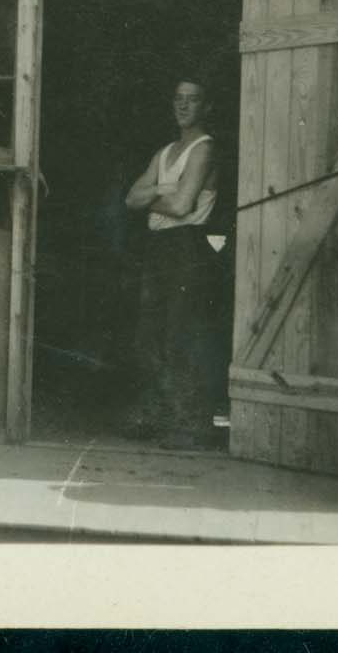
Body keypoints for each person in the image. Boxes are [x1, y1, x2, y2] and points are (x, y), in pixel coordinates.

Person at [123, 76, 226, 450]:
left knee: (183, 333)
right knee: (150, 334)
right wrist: (167, 190)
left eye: (193, 99)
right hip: (159, 246)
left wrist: (155, 195)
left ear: (206, 106)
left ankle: (191, 423)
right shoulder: (164, 152)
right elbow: (130, 198)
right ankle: (159, 416)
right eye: (178, 98)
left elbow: (182, 208)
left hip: (189, 247)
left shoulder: (204, 149)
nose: (183, 106)